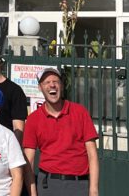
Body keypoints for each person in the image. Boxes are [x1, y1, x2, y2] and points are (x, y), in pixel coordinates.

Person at [23, 67, 99, 196]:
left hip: (79, 185)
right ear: (40, 88)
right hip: (48, 185)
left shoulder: (80, 112)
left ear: (62, 86)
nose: (52, 85)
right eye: (47, 82)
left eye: (55, 81)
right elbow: (28, 161)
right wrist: (32, 193)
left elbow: (92, 155)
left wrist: (94, 190)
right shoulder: (33, 119)